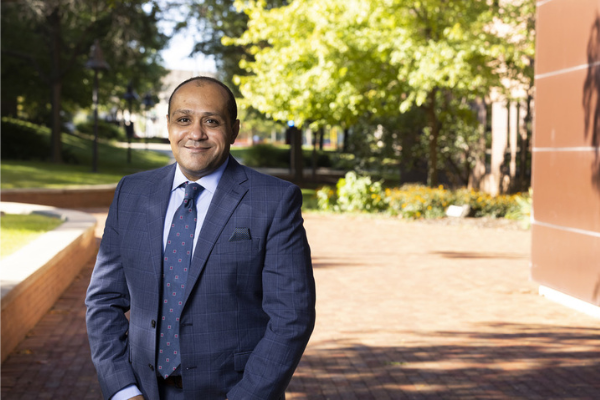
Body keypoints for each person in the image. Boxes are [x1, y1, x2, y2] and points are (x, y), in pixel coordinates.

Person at [85, 76, 316, 400]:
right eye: (184, 120)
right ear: (168, 126)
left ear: (233, 130)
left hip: (234, 392)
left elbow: (292, 316)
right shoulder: (132, 193)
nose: (196, 133)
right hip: (143, 391)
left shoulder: (274, 200)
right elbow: (103, 301)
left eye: (212, 121)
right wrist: (123, 390)